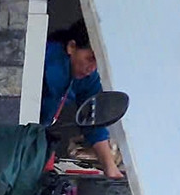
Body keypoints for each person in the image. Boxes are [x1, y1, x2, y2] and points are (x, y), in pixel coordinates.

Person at [42, 19, 123, 178]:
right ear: (71, 47)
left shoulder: (89, 77)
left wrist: (110, 168)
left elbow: (94, 121)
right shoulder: (46, 60)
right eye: (90, 58)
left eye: (98, 62)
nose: (92, 68)